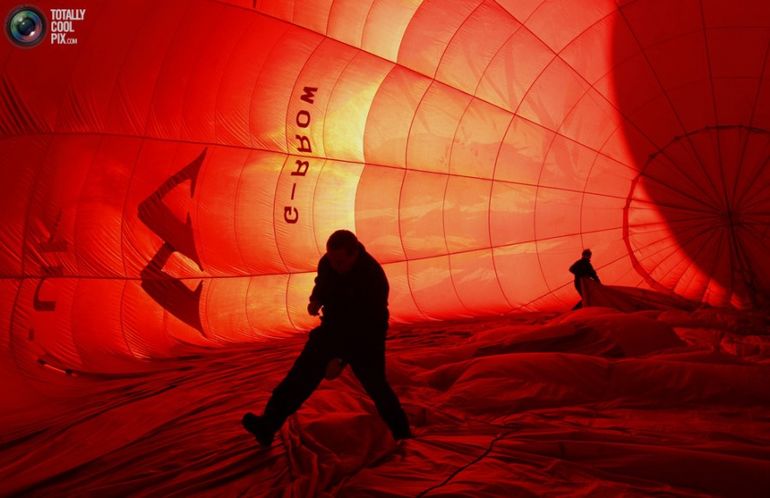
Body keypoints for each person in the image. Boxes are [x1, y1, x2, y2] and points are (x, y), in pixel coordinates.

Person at [242, 230, 411, 446]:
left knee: (376, 385)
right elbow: (322, 284)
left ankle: (402, 433)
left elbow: (367, 325)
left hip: (366, 335)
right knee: (299, 376)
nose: (334, 265)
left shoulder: (373, 278)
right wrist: (316, 300)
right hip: (333, 326)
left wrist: (340, 360)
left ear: (353, 254)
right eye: (331, 260)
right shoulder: (329, 262)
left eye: (339, 262)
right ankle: (267, 425)